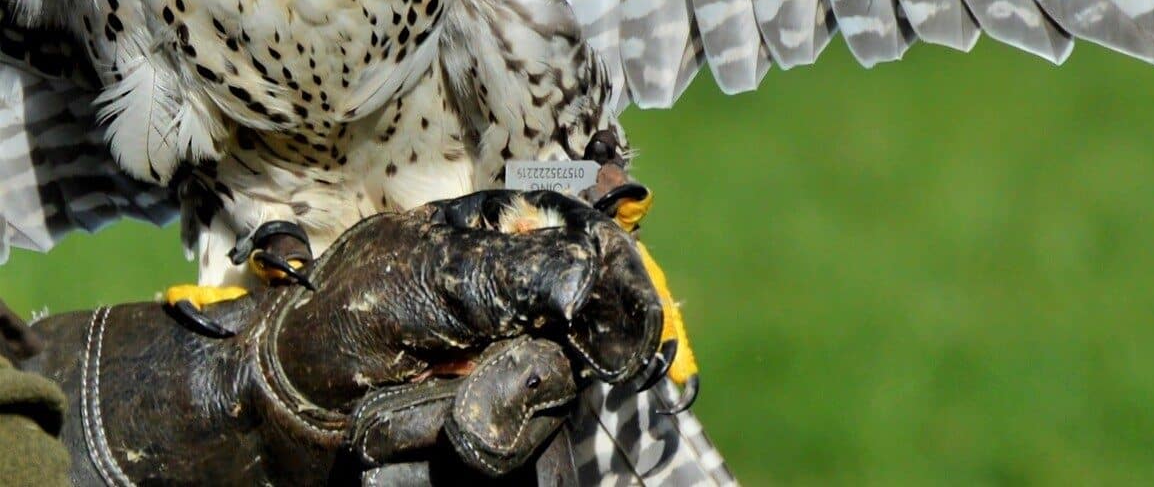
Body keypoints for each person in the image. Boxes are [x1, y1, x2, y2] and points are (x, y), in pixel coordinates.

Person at [0, 190, 691, 485]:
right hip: (294, 271)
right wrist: (242, 384)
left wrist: (569, 194)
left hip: (516, 246)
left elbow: (533, 166)